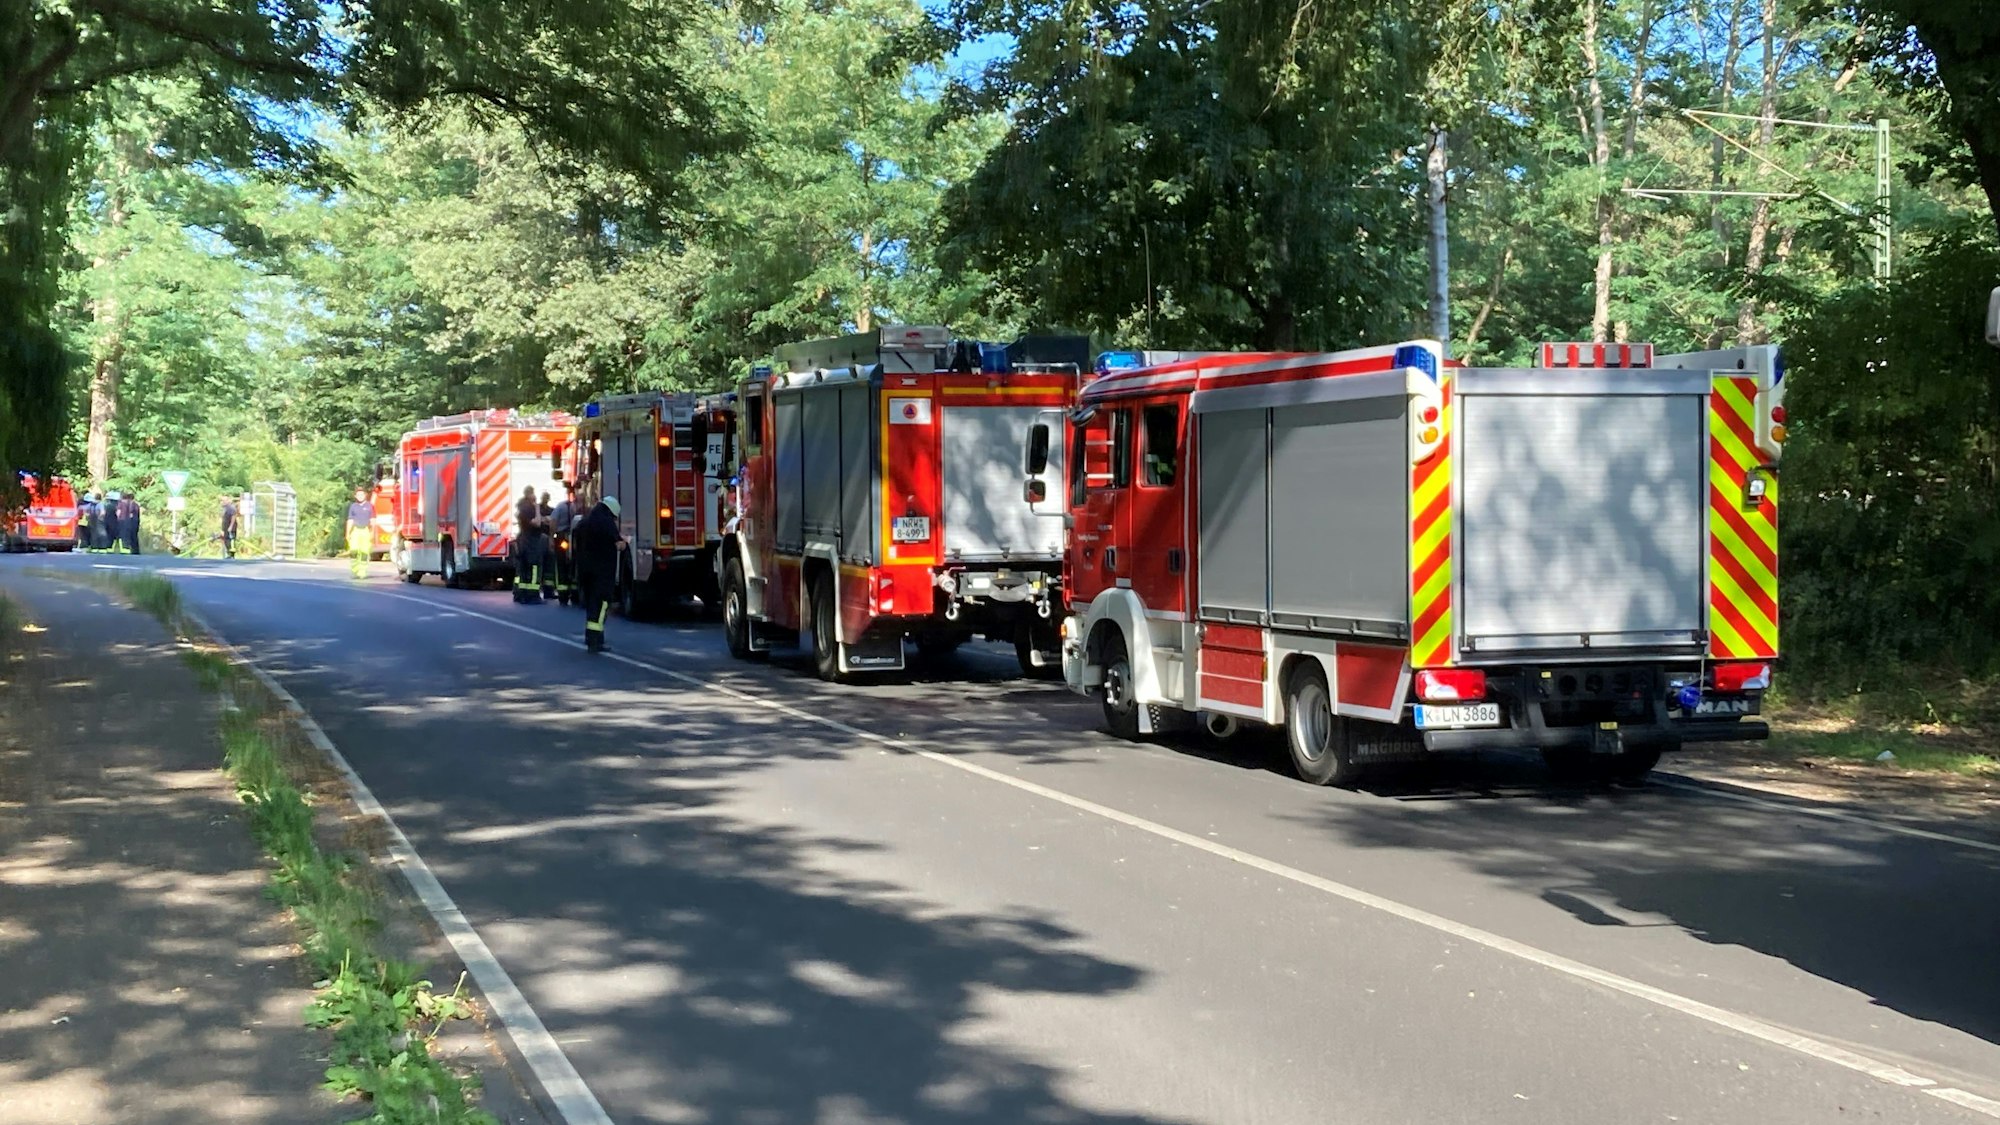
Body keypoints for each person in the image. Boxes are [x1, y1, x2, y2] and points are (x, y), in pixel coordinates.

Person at [572, 495, 625, 653]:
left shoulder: (584, 522)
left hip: (585, 571)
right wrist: (624, 543)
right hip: (602, 573)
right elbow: (619, 545)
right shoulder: (607, 523)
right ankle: (596, 641)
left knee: (591, 605)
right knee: (602, 605)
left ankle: (590, 638)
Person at [512, 485, 546, 604]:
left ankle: (521, 594)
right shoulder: (529, 508)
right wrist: (537, 508)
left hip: (524, 540)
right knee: (534, 568)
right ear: (530, 494)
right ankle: (533, 595)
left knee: (523, 569)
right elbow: (536, 523)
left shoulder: (522, 507)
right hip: (531, 542)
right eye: (533, 493)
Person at [548, 486, 577, 606]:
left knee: (561, 565)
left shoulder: (560, 507)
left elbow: (553, 522)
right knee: (574, 564)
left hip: (562, 538)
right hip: (574, 538)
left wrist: (551, 537)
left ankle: (563, 595)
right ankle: (575, 593)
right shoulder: (579, 507)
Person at [344, 488, 373, 578]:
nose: (360, 497)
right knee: (354, 550)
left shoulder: (370, 506)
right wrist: (347, 533)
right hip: (356, 530)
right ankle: (355, 568)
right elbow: (350, 520)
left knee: (364, 551)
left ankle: (362, 571)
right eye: (358, 495)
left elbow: (373, 520)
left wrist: (372, 533)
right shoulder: (353, 506)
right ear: (355, 496)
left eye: (362, 495)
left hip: (365, 531)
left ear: (365, 495)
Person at [537, 491, 557, 600]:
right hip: (539, 539)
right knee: (540, 565)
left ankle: (548, 592)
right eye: (544, 497)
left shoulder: (551, 510)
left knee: (549, 568)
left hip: (548, 539)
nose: (545, 499)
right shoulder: (538, 509)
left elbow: (553, 523)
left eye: (547, 497)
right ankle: (537, 591)